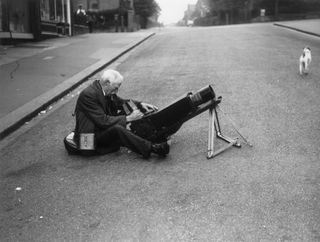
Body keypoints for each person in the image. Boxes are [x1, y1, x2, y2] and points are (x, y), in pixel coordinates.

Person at [73, 69, 170, 158]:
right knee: (118, 128)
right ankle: (152, 148)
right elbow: (102, 120)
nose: (116, 91)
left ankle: (146, 134)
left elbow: (121, 103)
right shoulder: (88, 95)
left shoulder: (105, 90)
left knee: (128, 110)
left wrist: (140, 104)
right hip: (88, 142)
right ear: (107, 83)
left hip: (99, 130)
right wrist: (129, 118)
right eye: (115, 88)